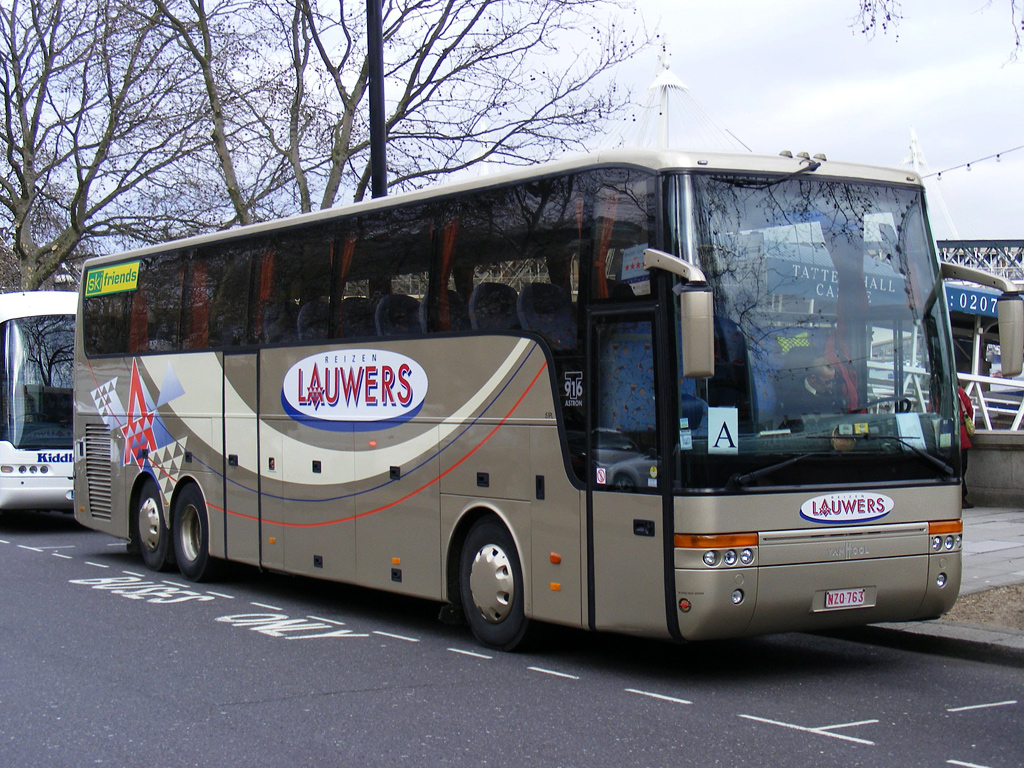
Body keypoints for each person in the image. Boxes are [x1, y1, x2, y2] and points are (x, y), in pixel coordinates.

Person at [957, 385, 974, 509]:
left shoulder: (937, 390)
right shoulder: (959, 392)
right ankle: (961, 497)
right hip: (961, 435)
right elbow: (969, 408)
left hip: (943, 436)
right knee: (962, 467)